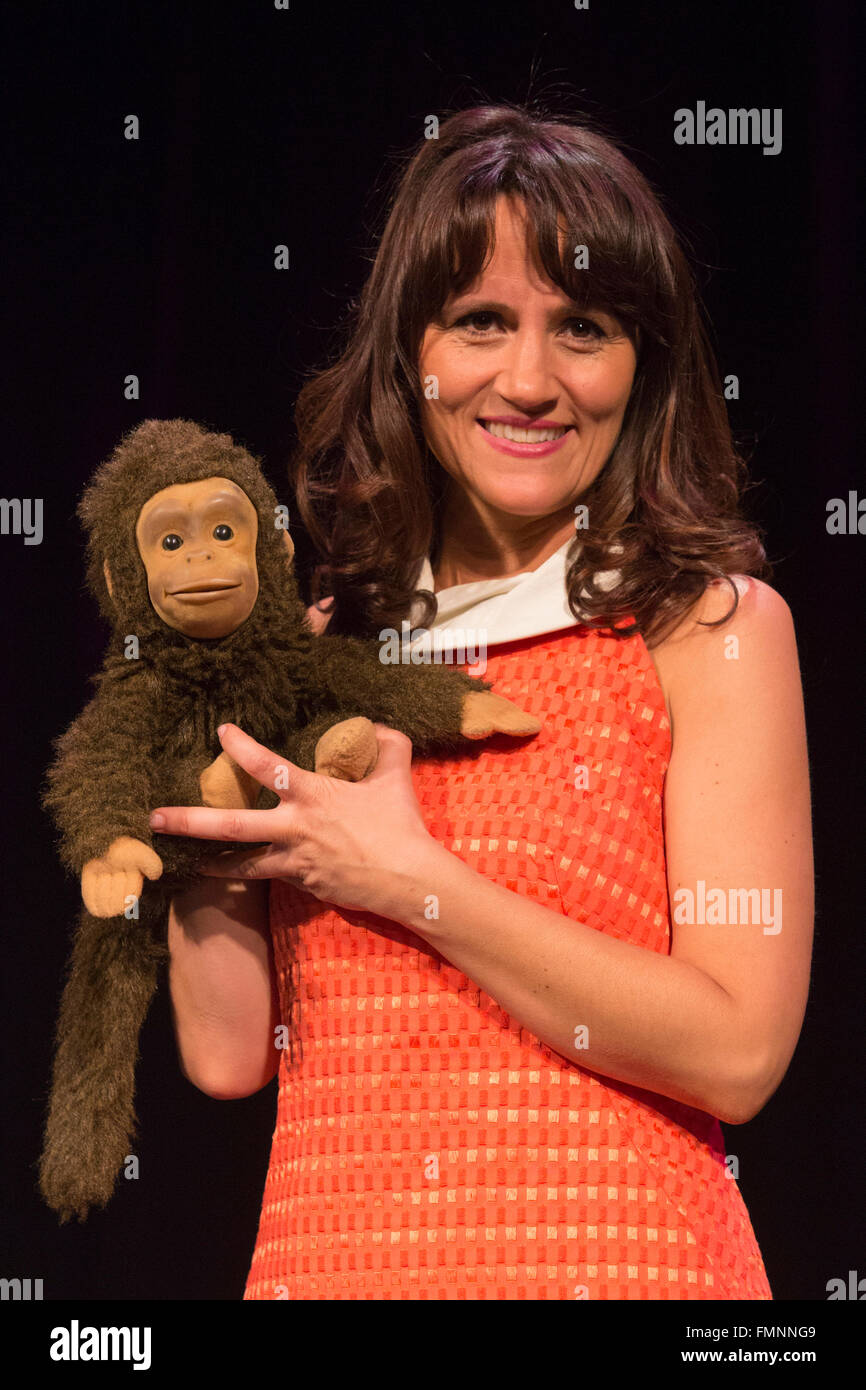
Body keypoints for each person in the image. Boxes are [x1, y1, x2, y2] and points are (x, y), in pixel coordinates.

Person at [157, 104, 813, 1299]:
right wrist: (191, 787)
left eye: (583, 328)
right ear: (409, 351)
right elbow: (225, 1053)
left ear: (643, 364)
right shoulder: (313, 652)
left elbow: (737, 1051)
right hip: (334, 1264)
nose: (529, 379)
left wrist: (410, 877)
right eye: (480, 322)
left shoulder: (705, 632)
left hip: (626, 1269)